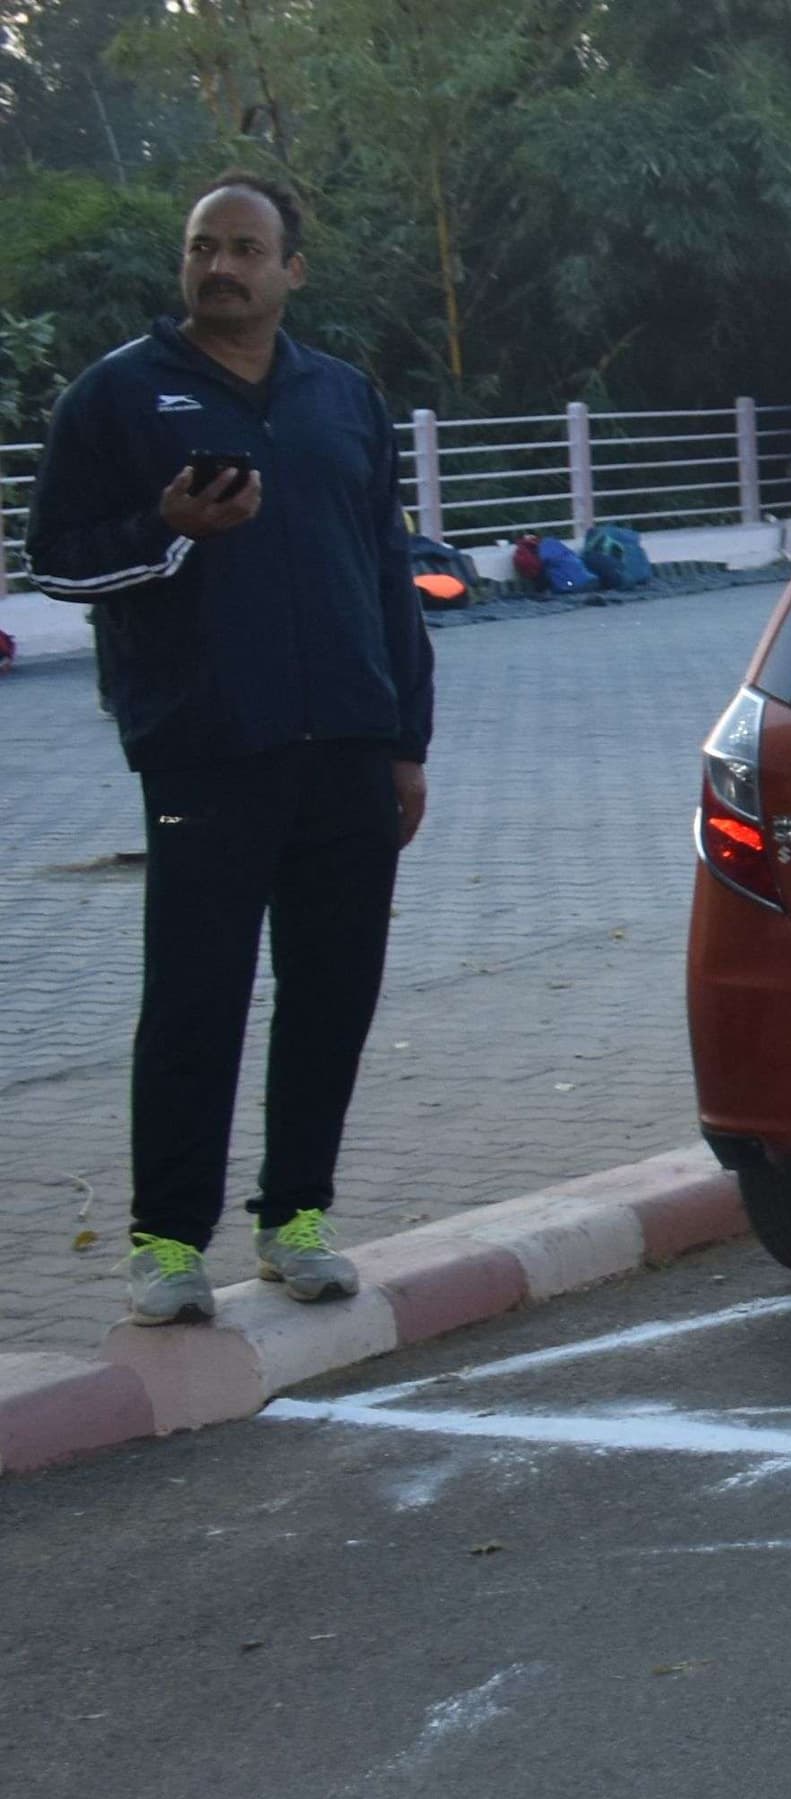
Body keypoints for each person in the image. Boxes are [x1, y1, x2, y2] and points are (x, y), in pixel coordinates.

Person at [28, 176, 435, 1325]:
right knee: (197, 999)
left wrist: (406, 736)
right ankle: (166, 1243)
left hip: (349, 745)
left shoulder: (342, 397)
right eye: (205, 246)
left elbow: (388, 575)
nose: (222, 266)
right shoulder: (117, 395)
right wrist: (169, 531)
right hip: (209, 749)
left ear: (290, 271)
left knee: (331, 991)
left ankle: (295, 1218)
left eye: (247, 248)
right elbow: (55, 561)